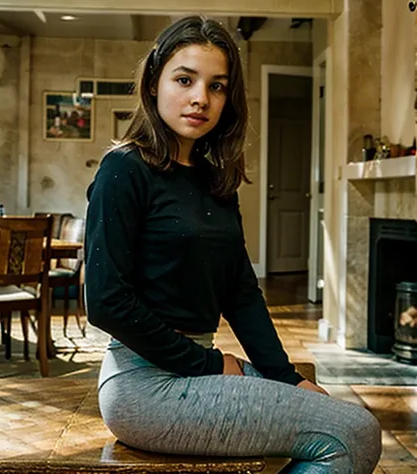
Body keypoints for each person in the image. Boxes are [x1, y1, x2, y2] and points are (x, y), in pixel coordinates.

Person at [85, 16, 381, 473]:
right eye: (184, 79)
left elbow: (241, 291)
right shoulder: (124, 169)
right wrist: (205, 362)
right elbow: (105, 302)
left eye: (217, 86)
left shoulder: (212, 179)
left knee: (334, 414)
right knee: (355, 433)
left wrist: (287, 378)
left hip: (192, 368)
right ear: (153, 82)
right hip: (144, 385)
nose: (200, 97)